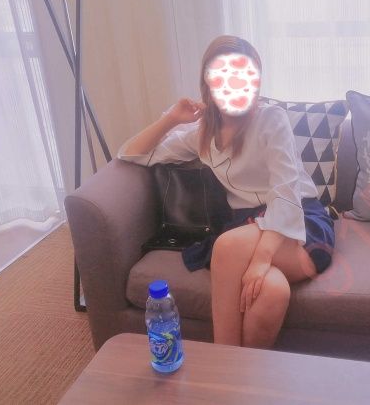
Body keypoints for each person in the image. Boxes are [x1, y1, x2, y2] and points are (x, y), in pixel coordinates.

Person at [117, 35, 335, 348]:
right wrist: (171, 119)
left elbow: (286, 193)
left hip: (298, 221)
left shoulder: (271, 119)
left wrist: (261, 259)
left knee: (228, 246)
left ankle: (220, 361)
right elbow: (130, 154)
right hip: (246, 224)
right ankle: (240, 376)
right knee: (272, 292)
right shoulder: (200, 134)